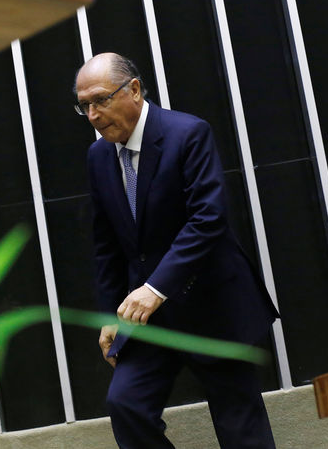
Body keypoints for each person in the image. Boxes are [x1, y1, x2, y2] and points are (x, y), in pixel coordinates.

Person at [78, 52, 278, 448]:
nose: (94, 114)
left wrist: (155, 288)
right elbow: (106, 246)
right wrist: (110, 313)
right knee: (126, 405)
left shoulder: (187, 133)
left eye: (101, 100)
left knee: (241, 425)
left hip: (211, 303)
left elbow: (208, 219)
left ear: (133, 89)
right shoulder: (98, 156)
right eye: (84, 106)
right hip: (145, 318)